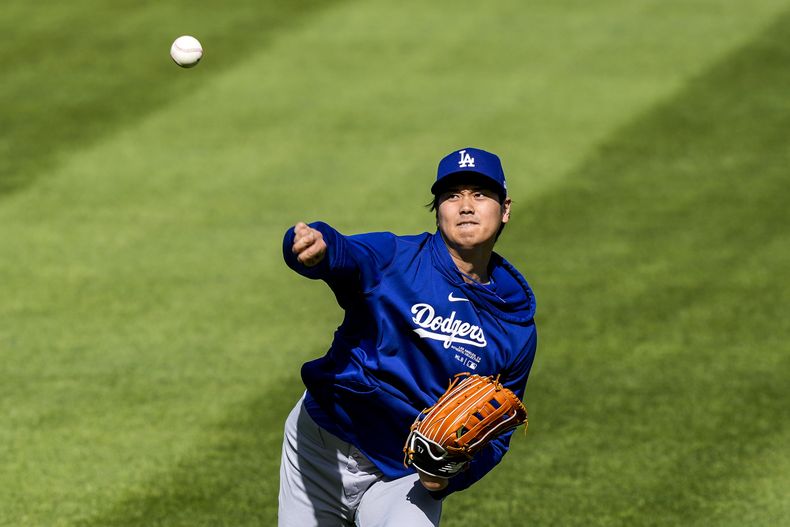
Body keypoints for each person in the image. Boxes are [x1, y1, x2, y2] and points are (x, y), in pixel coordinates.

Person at [278, 147, 538, 526]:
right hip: (322, 448)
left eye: (480, 194)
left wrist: (444, 478)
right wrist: (310, 248)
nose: (466, 206)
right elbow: (343, 253)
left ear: (505, 209)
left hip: (403, 475)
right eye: (452, 195)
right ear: (438, 210)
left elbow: (497, 437)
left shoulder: (514, 327)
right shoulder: (395, 259)